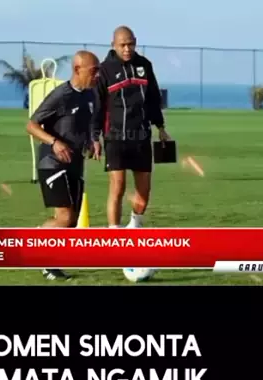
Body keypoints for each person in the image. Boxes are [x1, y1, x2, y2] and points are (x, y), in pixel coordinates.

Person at [26, 50, 100, 280]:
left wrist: (93, 141)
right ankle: (39, 246)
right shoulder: (61, 95)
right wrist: (54, 142)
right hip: (52, 162)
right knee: (65, 217)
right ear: (77, 69)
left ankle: (51, 262)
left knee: (72, 221)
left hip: (75, 163)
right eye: (93, 71)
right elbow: (31, 125)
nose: (97, 75)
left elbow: (88, 123)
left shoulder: (90, 95)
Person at [91, 26, 171, 228]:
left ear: (135, 42)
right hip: (115, 137)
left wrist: (161, 127)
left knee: (144, 190)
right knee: (117, 187)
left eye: (131, 44)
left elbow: (153, 98)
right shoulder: (105, 70)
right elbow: (98, 105)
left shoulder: (145, 65)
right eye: (122, 45)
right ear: (113, 45)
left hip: (141, 136)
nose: (127, 49)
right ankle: (114, 232)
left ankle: (135, 224)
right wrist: (95, 137)